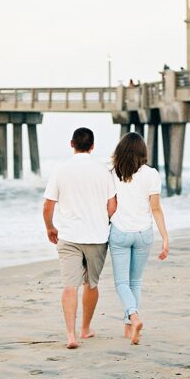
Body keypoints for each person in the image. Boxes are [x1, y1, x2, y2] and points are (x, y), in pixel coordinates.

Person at [43, 128, 117, 349]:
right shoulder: (103, 171)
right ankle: (85, 329)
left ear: (71, 144)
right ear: (92, 146)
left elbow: (48, 206)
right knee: (91, 284)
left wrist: (50, 228)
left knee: (69, 286)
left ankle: (71, 336)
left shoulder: (60, 170)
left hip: (69, 236)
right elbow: (112, 205)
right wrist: (101, 219)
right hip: (96, 236)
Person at [108, 132, 169, 345]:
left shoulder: (113, 173)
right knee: (135, 282)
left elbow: (110, 205)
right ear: (143, 152)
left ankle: (133, 317)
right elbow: (156, 208)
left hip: (120, 233)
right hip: (144, 234)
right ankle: (129, 328)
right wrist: (165, 238)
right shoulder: (152, 174)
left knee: (122, 283)